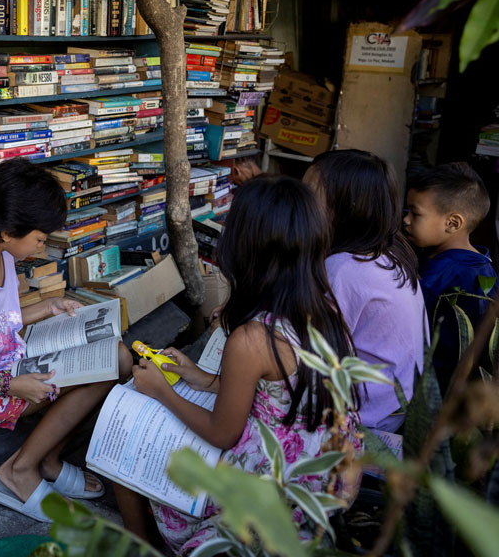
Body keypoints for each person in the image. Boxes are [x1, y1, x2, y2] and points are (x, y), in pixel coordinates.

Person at [122, 176, 359, 554]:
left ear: (246, 250)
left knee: (131, 442)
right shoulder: (324, 309)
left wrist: (162, 391)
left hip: (271, 495)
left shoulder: (252, 338)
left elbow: (222, 434)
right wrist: (200, 378)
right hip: (323, 476)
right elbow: (280, 390)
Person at [0, 159, 133, 522]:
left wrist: (45, 307)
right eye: (39, 238)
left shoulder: (0, 253)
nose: (41, 247)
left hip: (7, 365)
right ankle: (20, 470)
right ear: (8, 230)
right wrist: (10, 385)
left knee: (117, 355)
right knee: (107, 368)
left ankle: (50, 458)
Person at [304, 150, 426, 431]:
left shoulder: (344, 269)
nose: (301, 203)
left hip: (365, 419)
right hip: (395, 406)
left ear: (346, 209)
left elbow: (306, 351)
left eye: (310, 196)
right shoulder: (391, 250)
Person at [404, 162, 498, 389]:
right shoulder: (483, 265)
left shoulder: (444, 274)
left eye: (415, 214)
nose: (406, 220)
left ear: (453, 223)